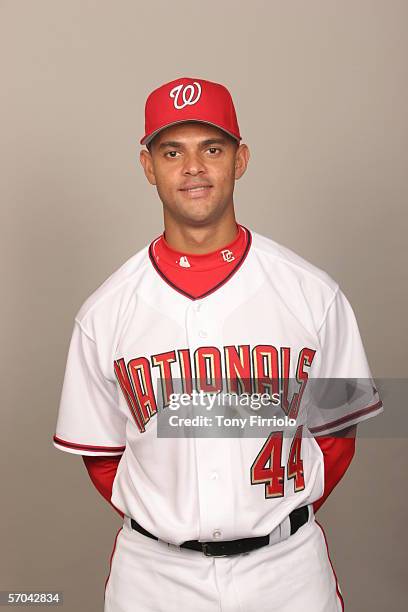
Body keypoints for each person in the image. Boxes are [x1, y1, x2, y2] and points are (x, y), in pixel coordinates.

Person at [53, 77, 383, 612]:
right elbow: (102, 458)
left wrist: (269, 520)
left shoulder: (312, 293)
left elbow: (338, 437)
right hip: (154, 578)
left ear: (240, 159)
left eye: (212, 148)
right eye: (171, 151)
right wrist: (170, 523)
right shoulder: (104, 312)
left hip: (287, 573)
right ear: (147, 167)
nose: (193, 168)